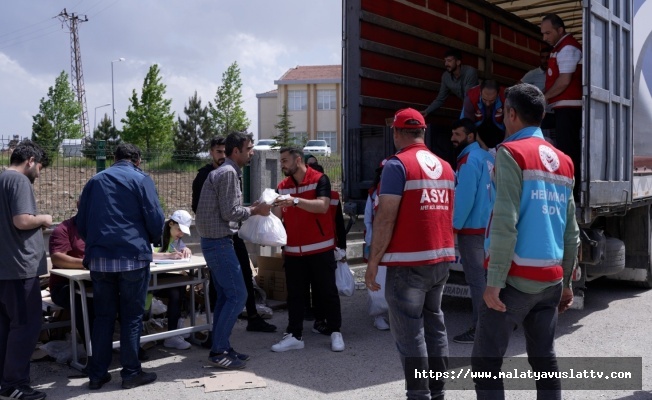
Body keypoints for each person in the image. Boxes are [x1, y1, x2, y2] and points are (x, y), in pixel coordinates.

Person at [471, 83, 580, 398]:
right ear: (543, 115)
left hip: (514, 281)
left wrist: (494, 282)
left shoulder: (510, 152)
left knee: (486, 363)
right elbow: (570, 229)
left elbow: (506, 222)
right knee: (544, 360)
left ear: (511, 113)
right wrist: (569, 281)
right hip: (551, 281)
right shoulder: (564, 161)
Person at [365, 108, 455, 400]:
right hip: (440, 260)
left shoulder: (396, 165)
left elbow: (386, 217)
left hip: (408, 264)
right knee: (434, 326)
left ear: (396, 132)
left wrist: (373, 262)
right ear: (423, 132)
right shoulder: (446, 166)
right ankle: (438, 392)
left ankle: (419, 395)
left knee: (410, 332)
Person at [78, 143, 164, 390]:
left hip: (100, 259)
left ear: (114, 159)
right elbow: (155, 218)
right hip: (132, 257)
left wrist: (97, 244)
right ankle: (130, 373)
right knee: (131, 317)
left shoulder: (95, 181)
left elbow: (82, 221)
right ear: (137, 159)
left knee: (103, 317)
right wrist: (152, 240)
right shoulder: (141, 179)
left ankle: (97, 374)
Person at [195, 131, 272, 370]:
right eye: (249, 148)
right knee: (238, 295)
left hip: (215, 241)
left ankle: (222, 346)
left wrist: (250, 208)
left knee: (227, 296)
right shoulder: (228, 173)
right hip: (219, 242)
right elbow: (230, 213)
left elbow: (227, 209)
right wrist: (255, 211)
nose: (252, 153)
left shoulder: (225, 172)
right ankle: (218, 352)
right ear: (236, 151)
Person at [271, 148, 344, 353]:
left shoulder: (320, 179)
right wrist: (265, 210)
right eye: (281, 161)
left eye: (285, 161)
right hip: (294, 251)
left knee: (327, 292)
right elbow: (276, 219)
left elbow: (322, 206)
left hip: (321, 248)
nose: (282, 165)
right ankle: (295, 335)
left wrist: (295, 201)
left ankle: (335, 332)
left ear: (298, 160)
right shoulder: (282, 187)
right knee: (295, 295)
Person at [0, 140, 51, 400]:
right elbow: (22, 220)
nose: (39, 173)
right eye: (39, 166)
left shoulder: (1, 179)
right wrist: (44, 219)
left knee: (7, 328)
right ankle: (14, 385)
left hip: (4, 268)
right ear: (30, 160)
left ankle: (5, 381)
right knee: (26, 326)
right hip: (19, 268)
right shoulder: (19, 181)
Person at [449, 119, 495, 344]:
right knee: (490, 278)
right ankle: (495, 324)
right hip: (489, 228)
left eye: (457, 134)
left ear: (470, 136)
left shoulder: (468, 160)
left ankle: (480, 329)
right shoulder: (488, 157)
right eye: (452, 134)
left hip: (473, 229)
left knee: (477, 280)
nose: (452, 138)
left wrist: (454, 227)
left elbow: (464, 198)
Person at [541, 13, 582, 196]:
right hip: (561, 106)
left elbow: (564, 81)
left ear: (560, 30)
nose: (545, 38)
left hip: (569, 107)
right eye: (543, 33)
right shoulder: (559, 47)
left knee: (568, 149)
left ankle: (572, 189)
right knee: (564, 147)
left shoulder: (568, 48)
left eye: (548, 33)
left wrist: (543, 98)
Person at [422, 48, 479, 167]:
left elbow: (469, 98)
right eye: (445, 61)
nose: (446, 64)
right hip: (466, 110)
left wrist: (461, 122)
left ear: (458, 62)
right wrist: (427, 112)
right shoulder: (446, 77)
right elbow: (440, 99)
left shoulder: (470, 72)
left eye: (449, 61)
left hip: (478, 109)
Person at [49, 206, 94, 348]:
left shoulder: (103, 227)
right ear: (79, 204)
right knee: (84, 302)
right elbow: (57, 258)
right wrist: (89, 264)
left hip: (94, 282)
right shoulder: (63, 229)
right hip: (64, 287)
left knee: (125, 296)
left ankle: (131, 347)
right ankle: (94, 352)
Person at [152, 210, 193, 350]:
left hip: (158, 276)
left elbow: (182, 249)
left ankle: (174, 331)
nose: (180, 234)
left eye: (183, 232)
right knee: (177, 288)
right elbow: (148, 253)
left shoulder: (176, 238)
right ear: (170, 224)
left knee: (180, 285)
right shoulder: (155, 233)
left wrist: (187, 249)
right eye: (178, 230)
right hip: (148, 277)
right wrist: (168, 256)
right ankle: (173, 331)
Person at [363, 160, 390, 331]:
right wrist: (372, 242)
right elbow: (368, 219)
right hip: (377, 245)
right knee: (377, 281)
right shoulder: (373, 193)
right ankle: (378, 315)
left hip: (396, 244)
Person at [461, 80, 506, 150]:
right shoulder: (470, 98)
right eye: (484, 99)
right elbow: (469, 125)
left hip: (497, 125)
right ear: (480, 92)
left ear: (497, 95)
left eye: (492, 100)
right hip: (476, 124)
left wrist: (504, 144)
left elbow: (510, 123)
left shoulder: (505, 97)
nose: (488, 104)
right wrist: (482, 145)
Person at [192, 137, 226, 214]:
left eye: (225, 152)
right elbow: (196, 205)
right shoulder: (203, 175)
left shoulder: (233, 174)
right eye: (219, 152)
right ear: (211, 152)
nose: (223, 156)